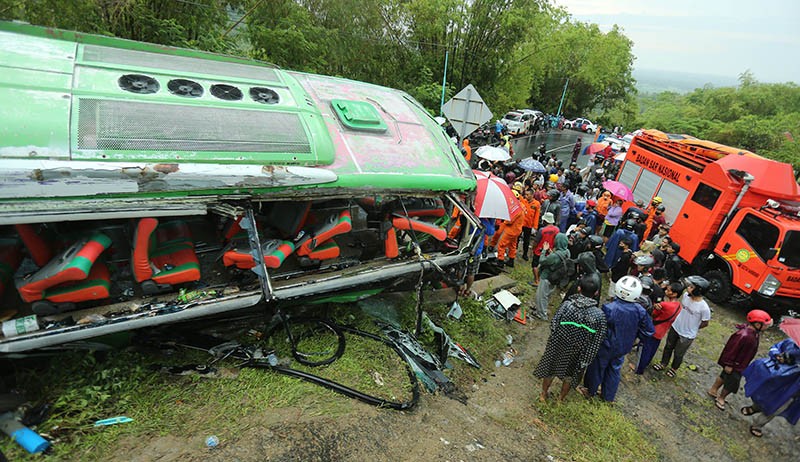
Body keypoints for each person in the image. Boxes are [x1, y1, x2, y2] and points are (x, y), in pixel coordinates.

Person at [580, 276, 654, 402]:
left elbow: (600, 326)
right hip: (624, 346)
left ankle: (590, 390)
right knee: (614, 369)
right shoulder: (640, 310)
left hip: (606, 345)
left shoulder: (609, 308)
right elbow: (649, 331)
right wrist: (635, 337)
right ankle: (608, 397)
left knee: (597, 367)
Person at [534, 276, 607, 402]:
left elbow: (554, 324)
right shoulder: (599, 316)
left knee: (550, 371)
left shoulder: (567, 305)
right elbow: (596, 342)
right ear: (596, 293)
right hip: (577, 353)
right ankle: (560, 399)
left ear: (579, 289)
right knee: (569, 377)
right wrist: (586, 359)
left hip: (558, 346)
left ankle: (543, 394)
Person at [707, 310, 772, 411]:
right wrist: (729, 364)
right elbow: (732, 350)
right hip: (736, 364)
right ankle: (721, 398)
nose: (766, 327)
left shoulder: (753, 333)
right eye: (765, 325)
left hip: (740, 363)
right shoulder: (745, 335)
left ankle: (713, 390)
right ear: (758, 324)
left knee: (724, 376)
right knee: (732, 383)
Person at [654, 275, 712, 377]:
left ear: (698, 290)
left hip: (687, 334)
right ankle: (663, 363)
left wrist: (693, 327)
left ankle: (674, 368)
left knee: (678, 353)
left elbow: (705, 322)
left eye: (691, 287)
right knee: (668, 347)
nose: (688, 288)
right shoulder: (685, 296)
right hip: (675, 327)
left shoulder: (704, 308)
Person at [741, 338, 800, 437]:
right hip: (777, 380)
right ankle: (755, 407)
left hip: (793, 390)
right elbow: (775, 347)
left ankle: (758, 424)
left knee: (777, 407)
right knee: (764, 396)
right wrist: (778, 356)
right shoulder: (791, 342)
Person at [634, 281, 683, 374]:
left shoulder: (664, 305)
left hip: (653, 328)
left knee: (645, 350)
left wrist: (655, 308)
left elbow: (653, 314)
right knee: (652, 349)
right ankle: (646, 364)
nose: (666, 291)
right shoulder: (679, 306)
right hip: (662, 331)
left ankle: (639, 369)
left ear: (674, 294)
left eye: (669, 290)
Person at [533, 233, 570, 321]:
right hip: (556, 277)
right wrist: (552, 252)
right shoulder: (567, 252)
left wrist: (544, 251)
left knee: (542, 296)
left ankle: (542, 314)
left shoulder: (554, 256)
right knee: (548, 294)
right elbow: (556, 259)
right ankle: (542, 309)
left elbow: (542, 261)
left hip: (547, 276)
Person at [458, 217, 495, 297]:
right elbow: (491, 232)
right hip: (475, 250)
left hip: (464, 247)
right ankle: (467, 291)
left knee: (461, 268)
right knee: (471, 272)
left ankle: (460, 288)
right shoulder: (483, 221)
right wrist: (492, 220)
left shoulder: (470, 215)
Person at [496, 189, 526, 268]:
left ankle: (500, 261)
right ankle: (511, 260)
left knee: (502, 245)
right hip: (517, 230)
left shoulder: (516, 208)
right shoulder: (522, 206)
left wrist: (503, 221)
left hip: (511, 230)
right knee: (513, 245)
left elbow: (510, 220)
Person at [530, 212, 560, 285]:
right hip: (549, 251)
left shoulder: (542, 230)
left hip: (539, 250)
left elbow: (536, 241)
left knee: (535, 265)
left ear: (545, 221)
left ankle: (537, 281)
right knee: (545, 265)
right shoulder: (557, 230)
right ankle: (541, 278)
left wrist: (532, 249)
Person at [520, 188, 540, 261]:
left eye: (527, 194)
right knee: (516, 238)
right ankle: (513, 252)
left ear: (532, 195)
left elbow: (536, 216)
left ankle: (525, 254)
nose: (526, 196)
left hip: (529, 225)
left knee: (526, 240)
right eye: (525, 194)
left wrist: (535, 227)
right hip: (521, 224)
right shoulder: (523, 201)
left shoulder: (536, 204)